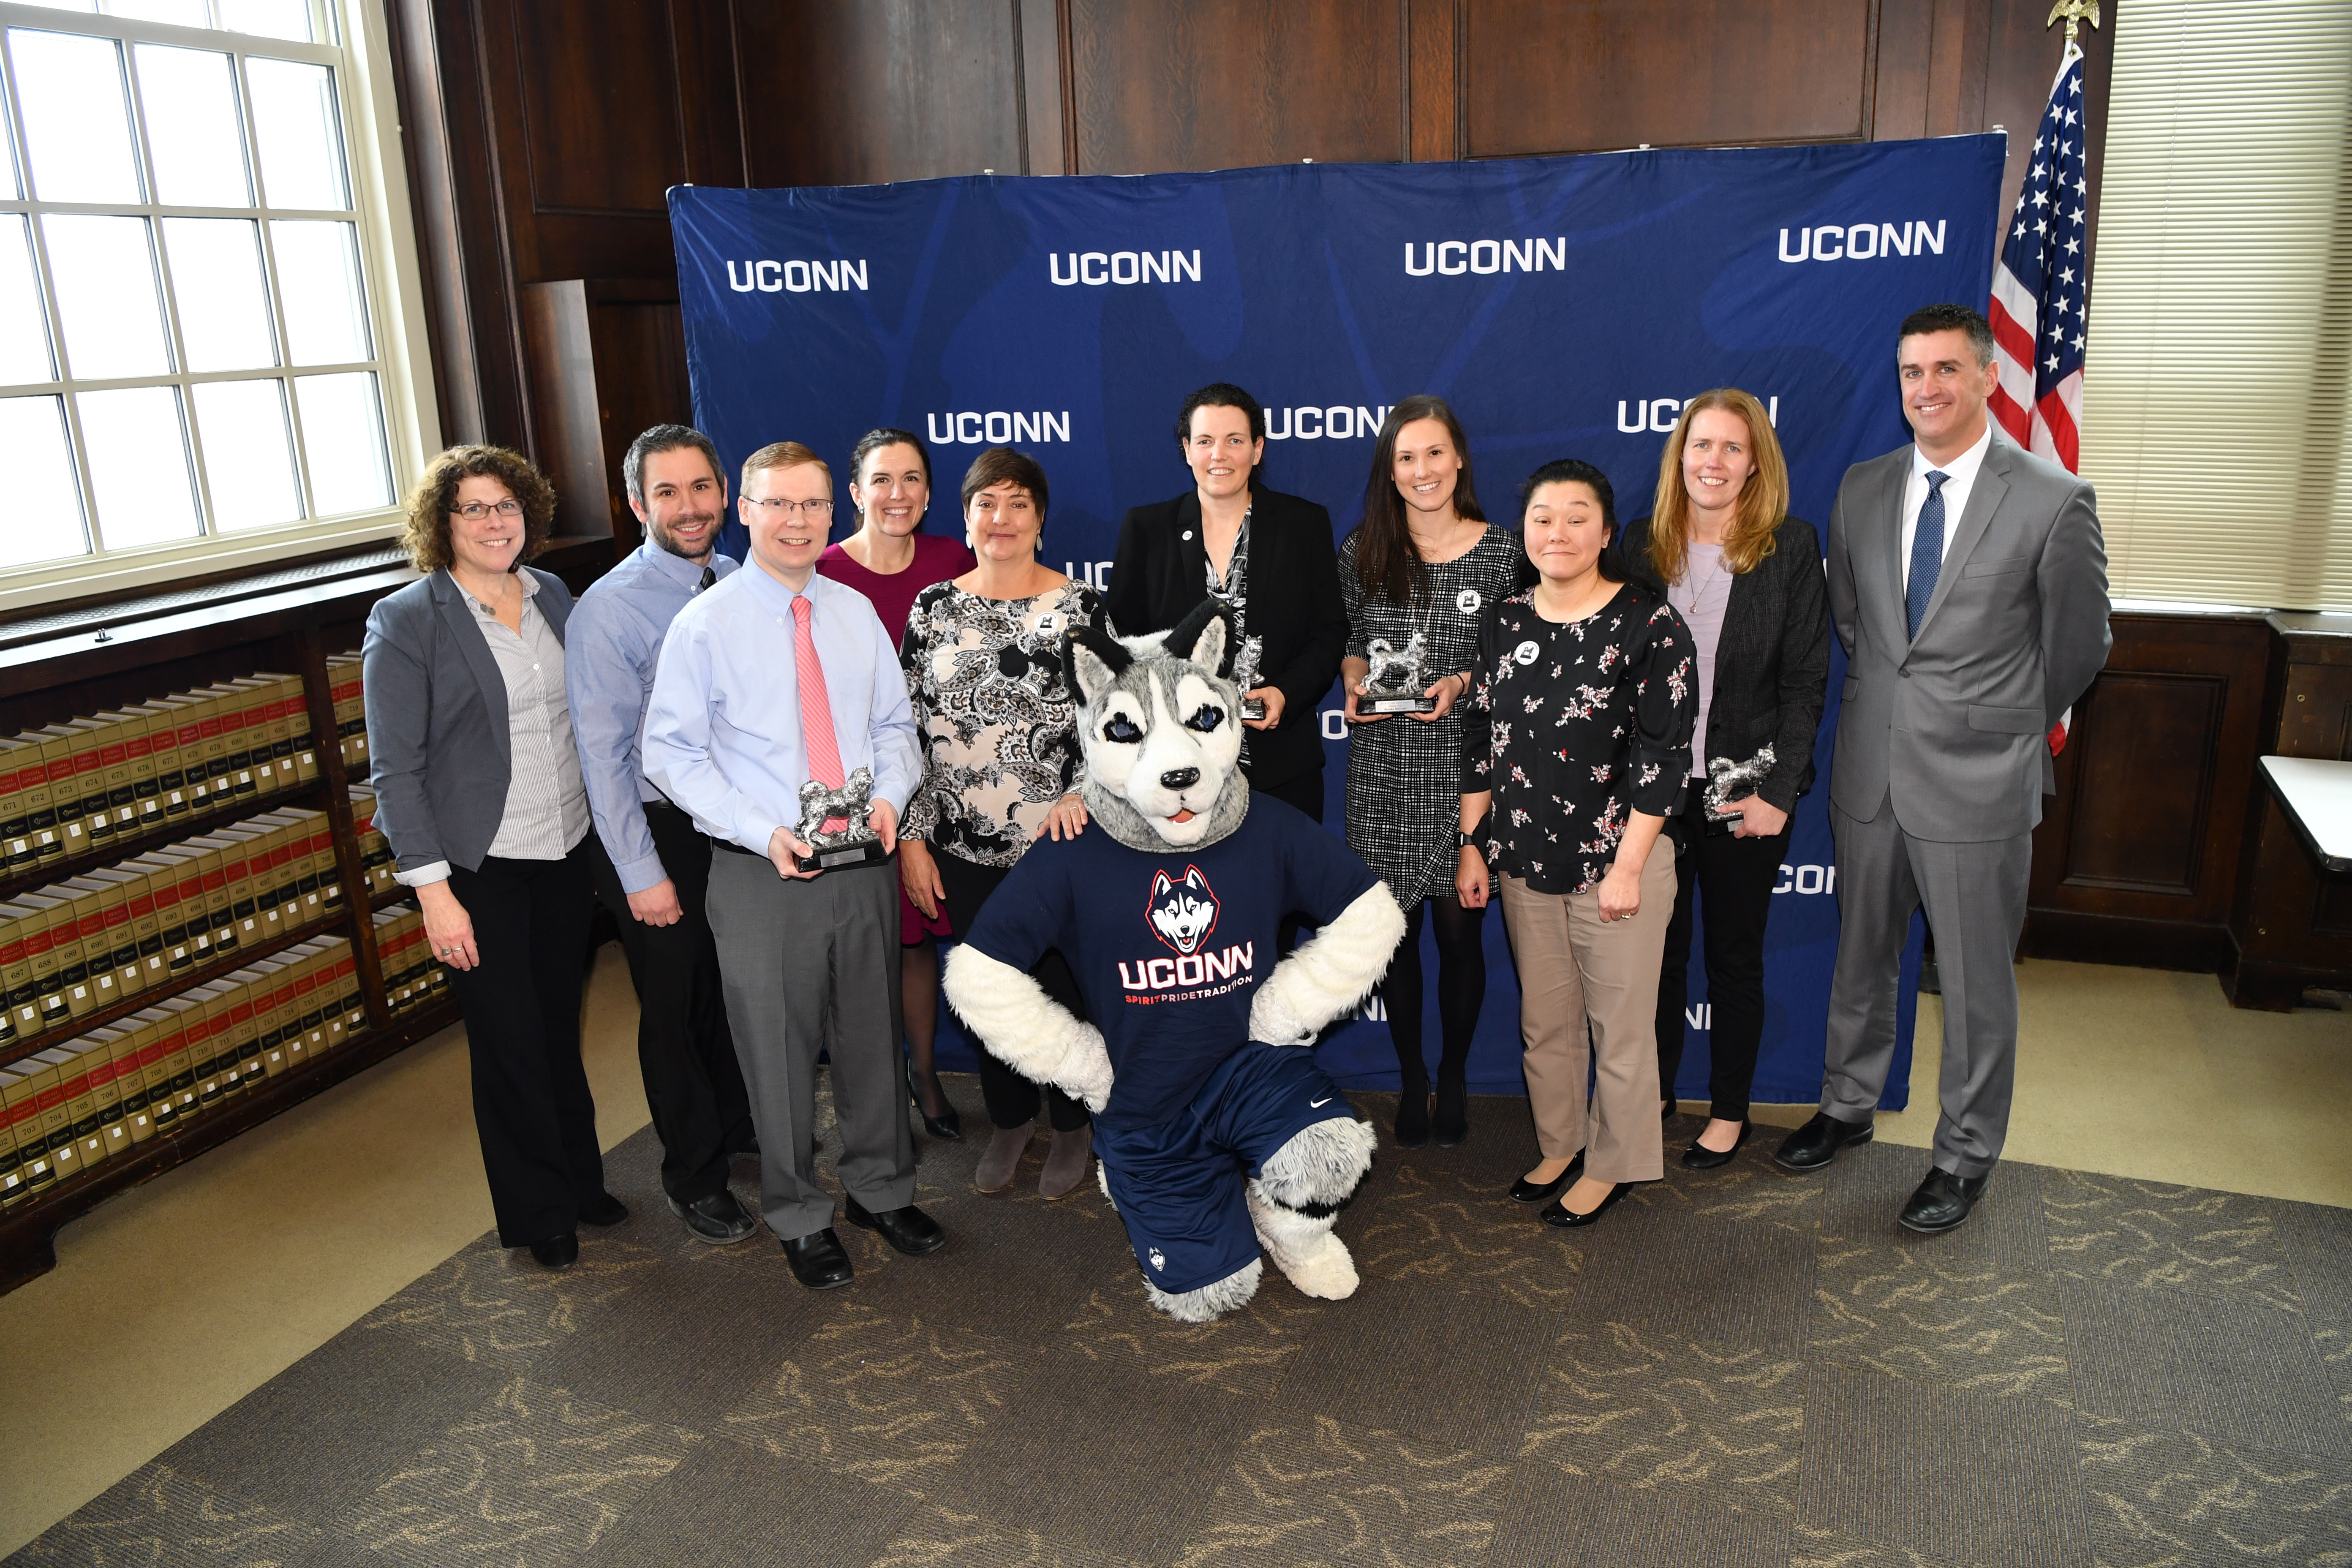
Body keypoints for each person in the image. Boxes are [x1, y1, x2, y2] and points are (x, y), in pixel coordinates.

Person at [1774, 303, 2109, 1234]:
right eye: (1913, 371)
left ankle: (1964, 1154)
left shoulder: (2052, 497)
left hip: (1981, 779)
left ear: (1988, 377)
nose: (1927, 388)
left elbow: (2080, 646)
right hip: (1871, 771)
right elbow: (1857, 625)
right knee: (1861, 956)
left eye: (1947, 370)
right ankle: (1847, 1105)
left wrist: (1997, 722)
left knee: (1972, 982)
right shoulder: (1865, 486)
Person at [641, 440, 942, 1290]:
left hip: (864, 863)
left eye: (811, 505)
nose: (796, 521)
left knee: (872, 1038)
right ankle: (799, 1212)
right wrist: (760, 827)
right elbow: (670, 754)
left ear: (831, 511)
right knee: (775, 1050)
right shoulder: (704, 623)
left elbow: (893, 726)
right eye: (777, 504)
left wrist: (891, 797)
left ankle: (881, 1190)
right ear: (745, 510)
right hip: (760, 870)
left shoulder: (854, 613)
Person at [363, 446, 620, 1270]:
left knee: (555, 1023)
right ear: (442, 525)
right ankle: (539, 1210)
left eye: (506, 506)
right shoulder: (409, 619)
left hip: (565, 845)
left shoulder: (552, 595)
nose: (493, 522)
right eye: (473, 508)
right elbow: (395, 770)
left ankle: (580, 1180)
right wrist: (433, 893)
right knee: (508, 1038)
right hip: (479, 866)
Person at [1458, 460, 1695, 1229]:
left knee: (1618, 1031)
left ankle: (1613, 1164)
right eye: (1541, 517)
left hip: (1615, 867)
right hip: (1525, 861)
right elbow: (1479, 738)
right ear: (1523, 530)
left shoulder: (1649, 624)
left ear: (1603, 529)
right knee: (1545, 1022)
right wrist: (1472, 846)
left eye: (1574, 516)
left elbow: (1665, 757)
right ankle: (1559, 1146)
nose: (1555, 532)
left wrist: (1628, 867)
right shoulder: (1503, 618)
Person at [1619, 392, 1830, 1168]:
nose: (1712, 461)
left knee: (1734, 957)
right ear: (1680, 457)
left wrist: (1778, 793)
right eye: (1699, 445)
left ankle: (1730, 1108)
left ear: (1754, 463)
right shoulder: (1641, 547)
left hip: (1744, 794)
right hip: (1653, 800)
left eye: (1730, 448)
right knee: (1655, 958)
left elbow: (1807, 683)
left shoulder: (1789, 549)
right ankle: (1657, 1092)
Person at [564, 424, 759, 1246]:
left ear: (725, 494)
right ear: (638, 503)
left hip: (731, 823)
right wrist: (639, 872)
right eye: (668, 492)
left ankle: (735, 1125)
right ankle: (692, 1170)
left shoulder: (744, 578)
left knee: (730, 988)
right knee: (674, 1006)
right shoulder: (609, 609)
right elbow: (603, 759)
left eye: (702, 488)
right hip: (652, 830)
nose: (690, 507)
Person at [898, 447, 1102, 1197]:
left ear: (1040, 520)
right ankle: (1011, 1119)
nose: (1001, 518)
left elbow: (1111, 724)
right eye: (987, 503)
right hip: (961, 845)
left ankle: (1073, 1123)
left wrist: (1082, 791)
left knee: (1059, 988)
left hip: (1060, 845)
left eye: (1018, 503)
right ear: (966, 516)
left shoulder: (1084, 610)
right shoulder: (933, 607)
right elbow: (905, 732)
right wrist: (914, 839)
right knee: (990, 990)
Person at [1338, 396, 1522, 1148]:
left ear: (1459, 460)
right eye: (1406, 458)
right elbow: (1353, 640)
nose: (1421, 471)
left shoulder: (1505, 551)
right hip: (1382, 769)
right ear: (1390, 469)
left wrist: (1462, 685)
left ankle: (1452, 1075)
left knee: (1458, 939)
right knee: (1393, 941)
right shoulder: (1362, 551)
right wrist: (1353, 684)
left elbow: (1517, 659)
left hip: (1466, 771)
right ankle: (1411, 1075)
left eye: (1434, 454)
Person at [817, 428, 977, 1141]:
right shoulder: (821, 571)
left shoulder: (951, 561)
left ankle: (925, 1073)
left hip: (942, 786)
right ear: (855, 493)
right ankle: (872, 1097)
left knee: (917, 943)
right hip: (853, 788)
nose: (897, 494)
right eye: (881, 480)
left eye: (912, 479)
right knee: (861, 952)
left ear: (930, 492)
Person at [1105, 383, 1346, 823]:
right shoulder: (1146, 529)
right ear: (1187, 449)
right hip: (1176, 769)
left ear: (1257, 449)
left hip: (1283, 764)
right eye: (1205, 441)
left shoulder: (1304, 524)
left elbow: (1328, 632)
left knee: (1283, 890)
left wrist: (1286, 694)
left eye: (1235, 441)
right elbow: (1125, 644)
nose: (1220, 454)